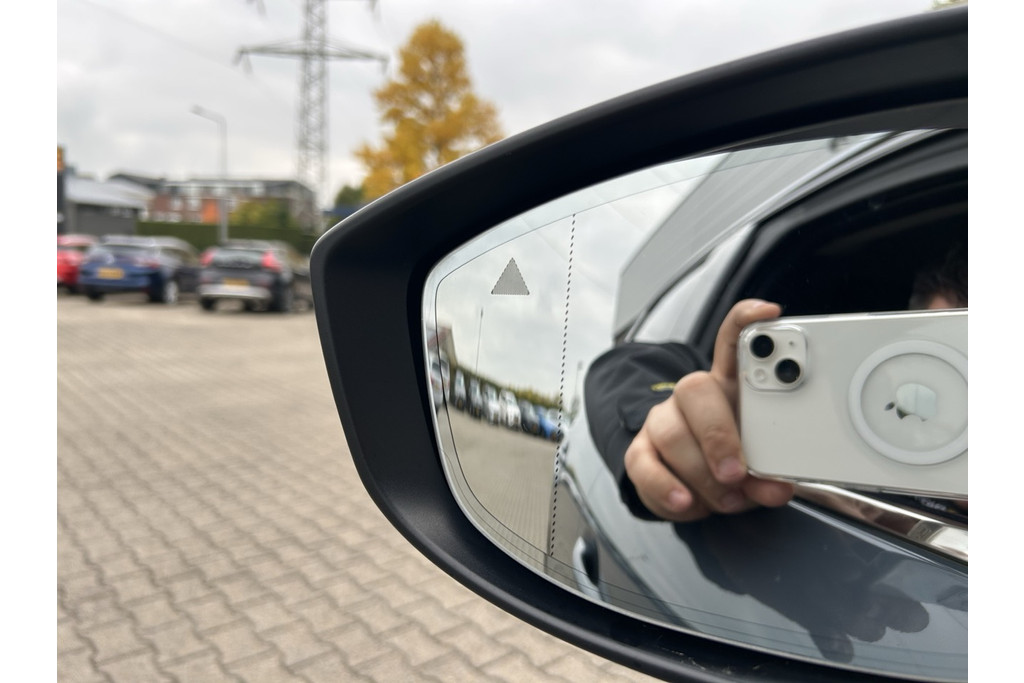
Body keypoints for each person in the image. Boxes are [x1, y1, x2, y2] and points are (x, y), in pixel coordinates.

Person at [584, 243, 967, 523]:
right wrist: (683, 429)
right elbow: (625, 365)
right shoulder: (826, 444)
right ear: (898, 358)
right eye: (946, 359)